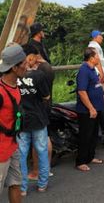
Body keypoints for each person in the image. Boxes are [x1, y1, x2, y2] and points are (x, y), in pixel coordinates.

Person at [17, 44, 50, 195]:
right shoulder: (39, 76)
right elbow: (46, 96)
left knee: (21, 155)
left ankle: (22, 188)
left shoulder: (15, 76)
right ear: (29, 58)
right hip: (38, 118)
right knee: (42, 151)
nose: (37, 61)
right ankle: (42, 184)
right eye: (35, 58)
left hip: (21, 120)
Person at [0, 44, 27, 202]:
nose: (27, 65)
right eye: (23, 63)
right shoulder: (1, 92)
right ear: (15, 68)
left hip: (13, 145)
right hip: (1, 150)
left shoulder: (15, 85)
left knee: (16, 184)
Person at [75, 48, 104, 172]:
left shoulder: (93, 70)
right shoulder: (84, 70)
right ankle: (80, 161)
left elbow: (99, 82)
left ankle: (90, 157)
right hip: (87, 110)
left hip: (97, 107)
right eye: (97, 56)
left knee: (93, 135)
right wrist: (91, 108)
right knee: (85, 135)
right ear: (91, 58)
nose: (98, 57)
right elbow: (82, 91)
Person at [88, 30, 104, 98]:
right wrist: (102, 74)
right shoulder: (94, 46)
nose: (102, 38)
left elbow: (98, 60)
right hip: (98, 75)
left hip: (99, 74)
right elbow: (95, 61)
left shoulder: (95, 46)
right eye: (100, 36)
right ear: (95, 37)